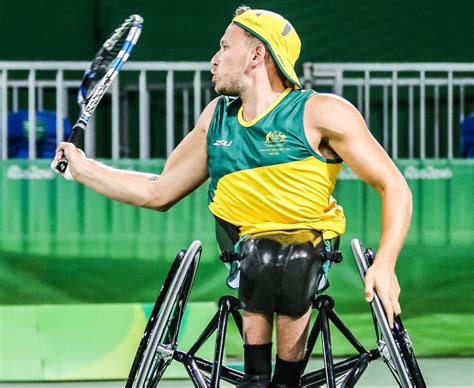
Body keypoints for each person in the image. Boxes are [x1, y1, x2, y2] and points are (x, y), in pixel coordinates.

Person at [52, 6, 412, 388]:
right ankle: (257, 377)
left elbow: (394, 186)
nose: (214, 59)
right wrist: (83, 167)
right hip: (242, 244)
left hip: (311, 245)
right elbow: (157, 191)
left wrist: (385, 264)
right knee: (264, 252)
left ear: (257, 55)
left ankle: (285, 380)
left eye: (224, 47)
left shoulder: (320, 112)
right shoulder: (216, 118)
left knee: (289, 255)